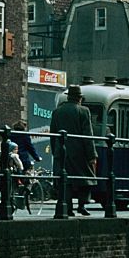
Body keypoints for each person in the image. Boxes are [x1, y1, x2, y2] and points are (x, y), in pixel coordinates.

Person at [50, 84, 97, 216]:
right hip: (79, 152)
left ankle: (68, 207)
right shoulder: (84, 111)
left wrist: (55, 151)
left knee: (66, 180)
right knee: (87, 178)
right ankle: (82, 205)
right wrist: (92, 155)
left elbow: (53, 134)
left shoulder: (57, 111)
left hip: (62, 152)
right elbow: (88, 135)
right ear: (79, 98)